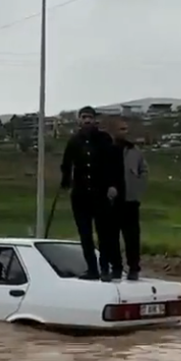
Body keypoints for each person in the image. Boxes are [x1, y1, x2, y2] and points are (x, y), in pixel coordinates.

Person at [60, 106, 123, 281]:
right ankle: (92, 269)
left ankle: (105, 269)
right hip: (80, 194)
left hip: (100, 193)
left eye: (89, 117)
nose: (87, 120)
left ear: (95, 120)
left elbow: (113, 164)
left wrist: (113, 185)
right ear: (79, 120)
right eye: (83, 117)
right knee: (85, 234)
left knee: (104, 234)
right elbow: (66, 163)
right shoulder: (74, 141)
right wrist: (66, 182)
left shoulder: (104, 139)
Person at [111, 118, 148, 280]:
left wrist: (137, 187)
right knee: (111, 237)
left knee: (132, 237)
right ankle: (116, 268)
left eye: (126, 129)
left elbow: (144, 170)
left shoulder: (134, 151)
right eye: (121, 129)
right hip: (111, 201)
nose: (125, 132)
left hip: (130, 201)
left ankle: (134, 268)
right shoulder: (108, 149)